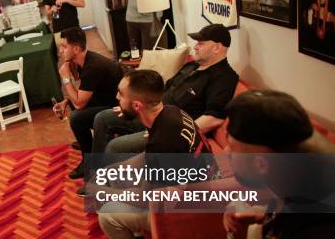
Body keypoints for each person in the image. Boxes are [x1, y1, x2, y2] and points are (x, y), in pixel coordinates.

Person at [173, 90, 335, 239]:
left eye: (233, 149)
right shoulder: (299, 174)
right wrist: (262, 217)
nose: (227, 153)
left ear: (260, 164)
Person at [97, 70, 214, 239]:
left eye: (121, 94)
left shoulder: (164, 143)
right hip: (198, 182)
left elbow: (165, 198)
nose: (117, 97)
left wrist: (120, 195)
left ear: (137, 105)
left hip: (189, 210)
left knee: (106, 214)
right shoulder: (170, 112)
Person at [91, 23, 239, 154]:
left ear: (217, 48)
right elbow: (164, 89)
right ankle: (95, 172)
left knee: (114, 147)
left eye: (201, 43)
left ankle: (105, 180)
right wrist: (132, 104)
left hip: (168, 129)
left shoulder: (224, 77)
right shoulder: (192, 65)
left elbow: (214, 118)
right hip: (150, 111)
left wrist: (164, 132)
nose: (195, 46)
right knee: (102, 118)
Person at [52, 27, 122, 179]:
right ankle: (88, 145)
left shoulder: (93, 67)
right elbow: (83, 93)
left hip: (118, 109)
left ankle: (89, 161)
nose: (61, 51)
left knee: (76, 117)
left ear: (76, 49)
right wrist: (66, 101)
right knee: (74, 105)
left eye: (64, 46)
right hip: (104, 98)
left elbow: (79, 104)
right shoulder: (82, 60)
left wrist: (65, 78)